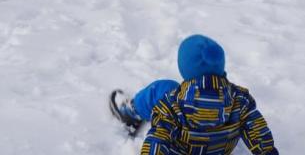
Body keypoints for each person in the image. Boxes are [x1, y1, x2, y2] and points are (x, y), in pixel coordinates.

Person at [109, 35, 279, 155]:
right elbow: (256, 128)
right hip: (220, 149)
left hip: (182, 150)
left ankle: (132, 112)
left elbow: (159, 137)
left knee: (161, 88)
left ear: (185, 69)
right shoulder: (240, 100)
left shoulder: (172, 104)